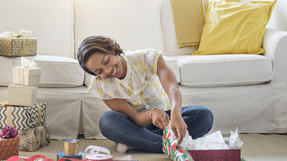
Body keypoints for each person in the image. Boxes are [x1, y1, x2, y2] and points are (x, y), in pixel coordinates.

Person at [77, 36, 213, 153]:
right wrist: (152, 113)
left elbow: (172, 87)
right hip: (137, 125)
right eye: (99, 71)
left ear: (112, 50)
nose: (107, 70)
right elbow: (135, 117)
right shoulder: (100, 85)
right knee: (106, 121)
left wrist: (176, 114)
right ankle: (168, 144)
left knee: (204, 115)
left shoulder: (148, 58)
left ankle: (136, 142)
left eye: (106, 61)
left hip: (168, 119)